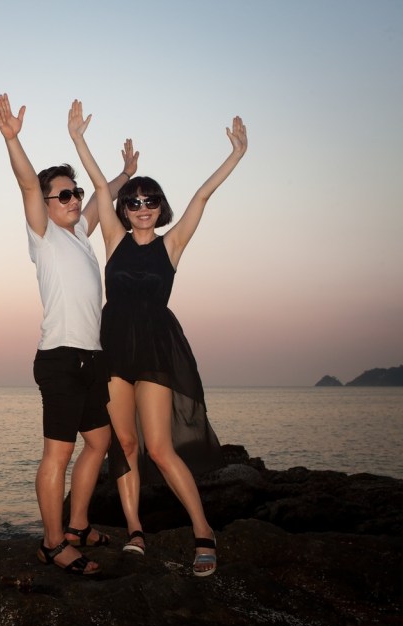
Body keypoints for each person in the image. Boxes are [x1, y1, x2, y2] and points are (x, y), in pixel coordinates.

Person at [66, 99, 247, 576]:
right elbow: (101, 187)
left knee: (160, 449)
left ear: (160, 208)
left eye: (150, 201)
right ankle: (136, 531)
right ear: (124, 210)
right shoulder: (112, 237)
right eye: (134, 201)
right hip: (113, 350)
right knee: (123, 445)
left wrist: (235, 156)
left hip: (156, 350)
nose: (142, 208)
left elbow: (202, 198)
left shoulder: (172, 244)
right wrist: (79, 140)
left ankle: (203, 533)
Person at [0, 93, 137, 575]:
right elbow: (26, 185)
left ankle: (77, 526)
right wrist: (14, 140)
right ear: (48, 204)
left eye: (74, 193)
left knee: (99, 444)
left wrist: (124, 172)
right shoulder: (44, 235)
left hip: (91, 358)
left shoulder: (78, 233)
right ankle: (53, 544)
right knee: (58, 452)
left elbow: (103, 196)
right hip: (59, 358)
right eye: (64, 195)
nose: (73, 199)